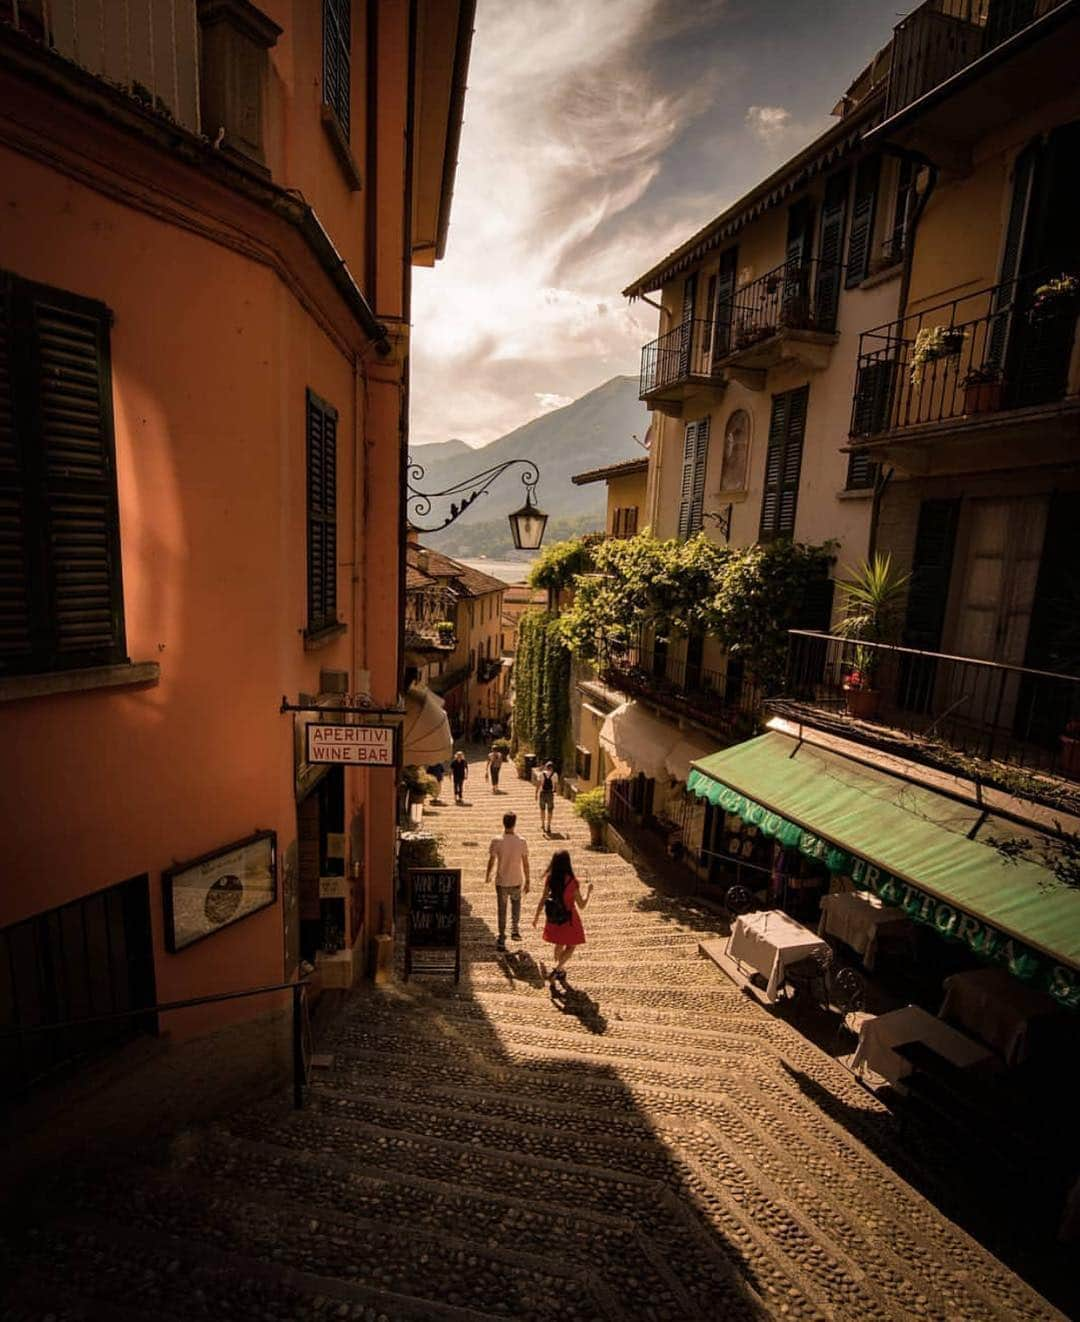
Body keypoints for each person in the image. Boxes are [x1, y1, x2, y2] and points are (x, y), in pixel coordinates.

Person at [533, 849, 591, 985]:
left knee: (559, 943)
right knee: (571, 946)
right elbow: (581, 905)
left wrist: (536, 917)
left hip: (553, 917)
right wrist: (589, 892)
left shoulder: (550, 879)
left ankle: (560, 971)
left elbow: (543, 899)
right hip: (569, 918)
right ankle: (558, 969)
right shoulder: (572, 881)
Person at [486, 811, 530, 952]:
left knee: (502, 909)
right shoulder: (521, 841)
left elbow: (491, 860)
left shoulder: (497, 841)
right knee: (516, 905)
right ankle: (515, 930)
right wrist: (528, 880)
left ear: (503, 823)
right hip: (516, 879)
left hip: (502, 881)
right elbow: (526, 863)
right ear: (514, 823)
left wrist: (488, 875)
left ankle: (501, 937)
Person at [535, 760, 558, 834]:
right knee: (550, 810)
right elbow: (555, 785)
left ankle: (542, 824)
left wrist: (536, 793)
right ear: (552, 768)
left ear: (546, 767)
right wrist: (555, 790)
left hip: (542, 793)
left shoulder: (541, 774)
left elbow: (538, 784)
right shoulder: (555, 775)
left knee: (542, 809)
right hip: (550, 794)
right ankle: (548, 825)